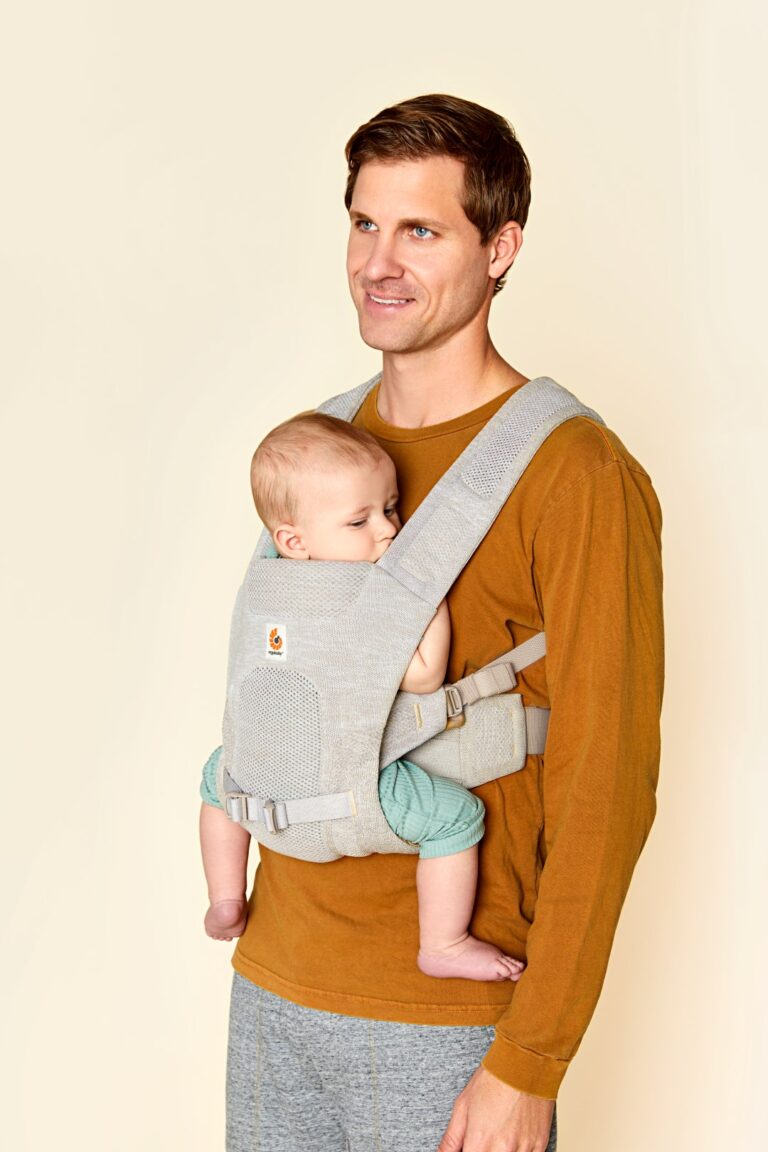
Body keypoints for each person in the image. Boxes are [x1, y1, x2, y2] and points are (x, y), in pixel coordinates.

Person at [205, 94, 664, 1152]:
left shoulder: (574, 473)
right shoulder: (320, 450)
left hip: (447, 1024)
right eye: (365, 223)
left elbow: (607, 783)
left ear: (500, 250)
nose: (379, 262)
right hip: (273, 985)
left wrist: (531, 1059)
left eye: (421, 230)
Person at [200, 411, 527, 983]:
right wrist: (425, 594)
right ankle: (444, 943)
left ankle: (226, 894)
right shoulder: (365, 596)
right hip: (346, 797)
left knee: (213, 778)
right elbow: (424, 676)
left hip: (256, 793)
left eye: (390, 509)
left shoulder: (265, 586)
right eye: (360, 520)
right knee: (456, 818)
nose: (388, 530)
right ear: (293, 540)